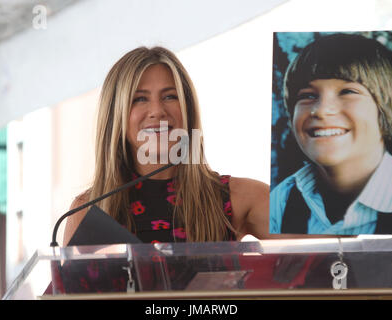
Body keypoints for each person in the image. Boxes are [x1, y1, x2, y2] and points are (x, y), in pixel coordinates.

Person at [63, 46, 269, 245]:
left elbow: (301, 249)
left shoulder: (240, 198)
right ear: (115, 117)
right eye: (140, 99)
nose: (157, 111)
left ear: (187, 109)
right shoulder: (86, 211)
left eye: (170, 96)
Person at [270, 33, 392, 235]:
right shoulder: (282, 201)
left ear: (387, 108)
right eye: (308, 95)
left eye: (348, 92)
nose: (321, 110)